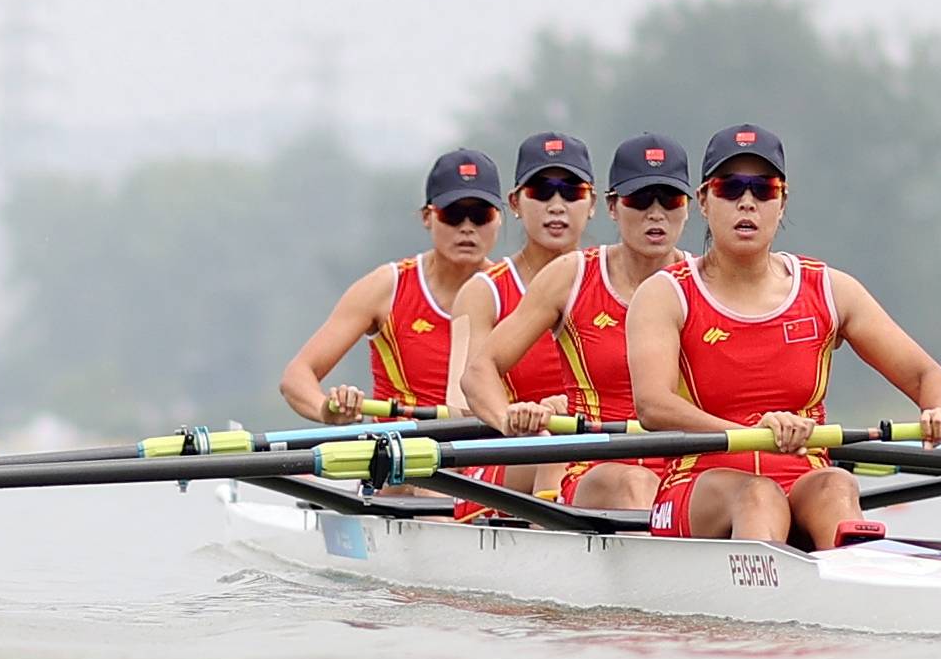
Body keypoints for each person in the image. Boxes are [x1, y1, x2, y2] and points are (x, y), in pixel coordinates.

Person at [623, 123, 941, 548]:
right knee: (758, 494)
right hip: (698, 482)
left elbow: (925, 375)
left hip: (803, 476)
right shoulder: (665, 293)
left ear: (782, 203)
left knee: (837, 483)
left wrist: (940, 409)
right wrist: (752, 430)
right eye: (730, 188)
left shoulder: (830, 290)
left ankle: (852, 568)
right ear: (705, 201)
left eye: (764, 189)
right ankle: (772, 580)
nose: (747, 201)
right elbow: (652, 406)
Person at [461, 131, 698, 511]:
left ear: (689, 207)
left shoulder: (706, 280)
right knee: (627, 480)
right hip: (589, 460)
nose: (655, 213)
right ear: (612, 206)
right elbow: (474, 377)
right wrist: (511, 418)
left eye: (670, 199)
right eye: (639, 199)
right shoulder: (563, 277)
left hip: (686, 464)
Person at [277, 148, 509, 424]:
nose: (467, 227)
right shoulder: (385, 287)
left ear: (499, 218)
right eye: (453, 214)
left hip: (490, 444)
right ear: (427, 217)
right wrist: (326, 410)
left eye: (481, 215)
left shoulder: (518, 292)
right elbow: (297, 376)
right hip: (406, 446)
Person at [441, 133, 599, 496]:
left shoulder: (610, 280)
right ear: (515, 202)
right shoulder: (483, 291)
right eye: (541, 192)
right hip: (507, 454)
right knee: (555, 449)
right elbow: (459, 407)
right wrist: (513, 418)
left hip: (593, 452)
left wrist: (571, 408)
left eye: (572, 192)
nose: (556, 206)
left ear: (591, 203)